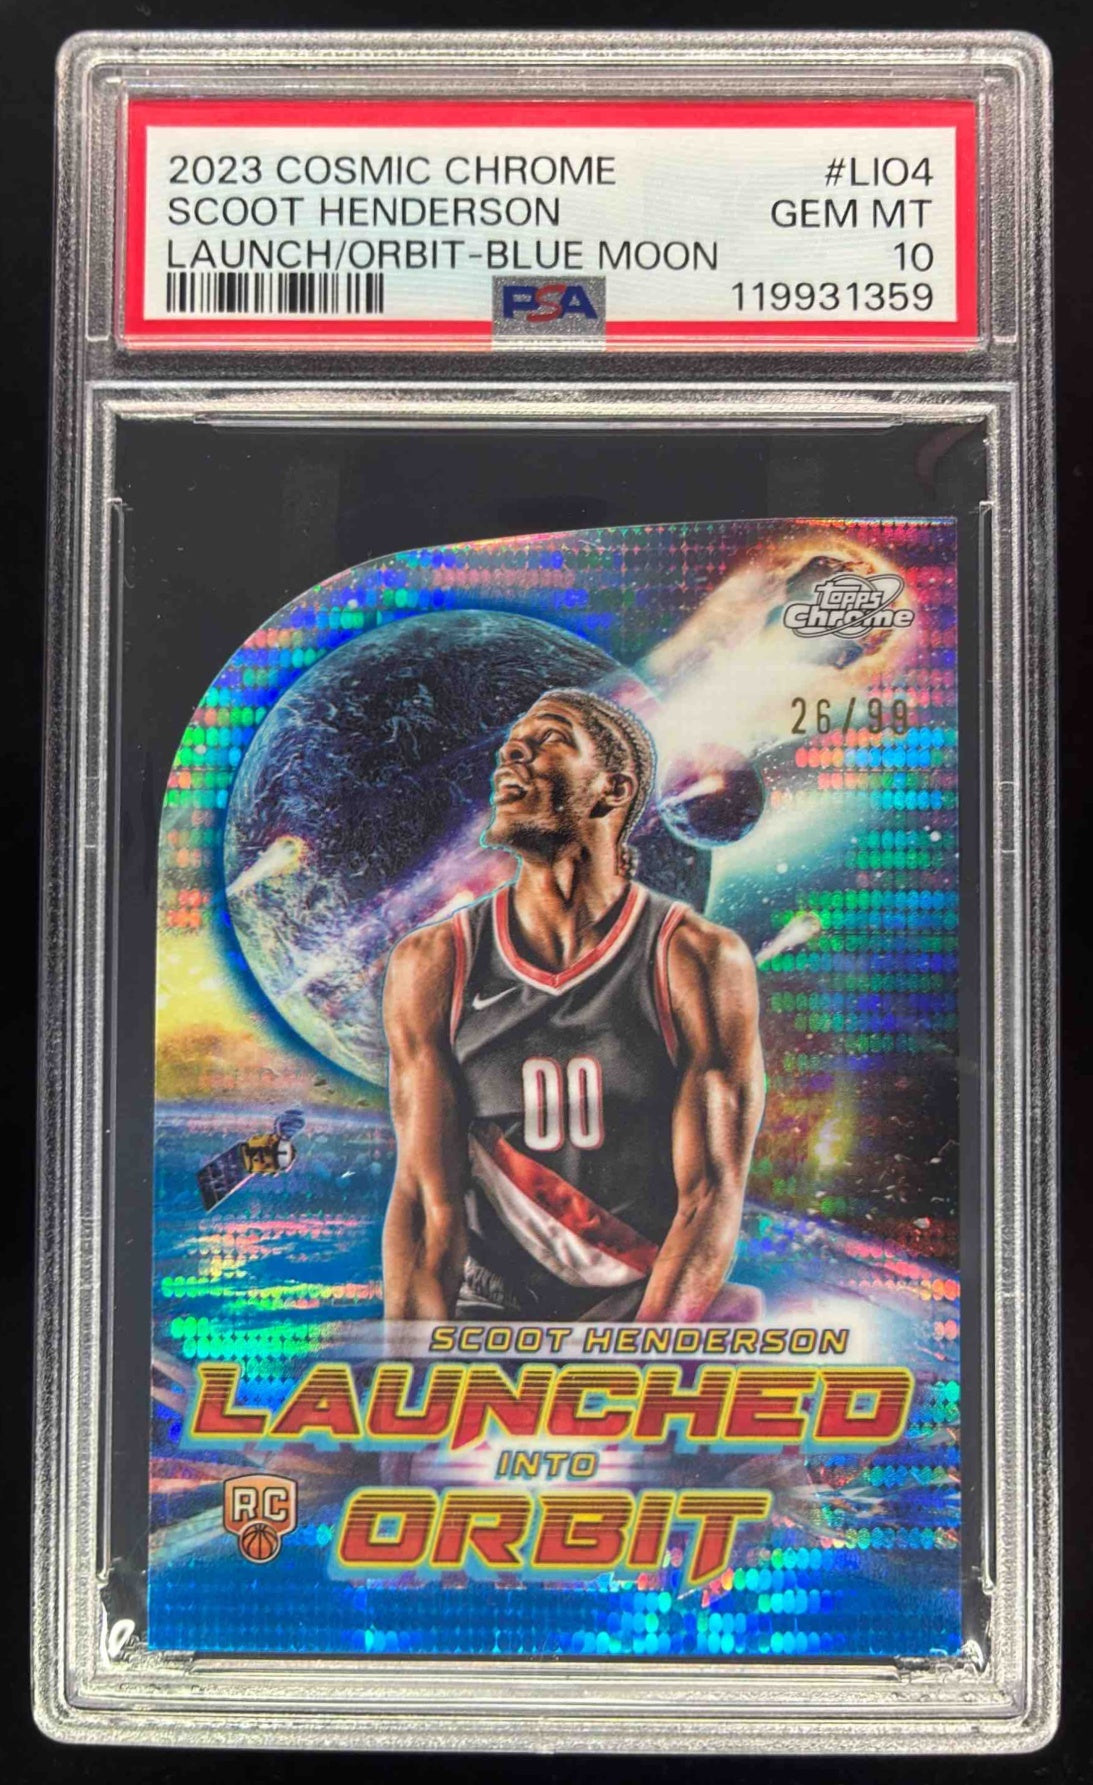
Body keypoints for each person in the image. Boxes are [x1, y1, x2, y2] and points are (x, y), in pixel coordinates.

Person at [381, 687, 764, 1322]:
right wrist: (412, 1366)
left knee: (739, 1317)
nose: (513, 755)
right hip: (491, 1309)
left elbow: (709, 1197)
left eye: (550, 739)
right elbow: (426, 1201)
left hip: (643, 1306)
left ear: (612, 790)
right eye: (512, 747)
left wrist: (640, 1362)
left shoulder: (696, 958)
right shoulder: (433, 962)